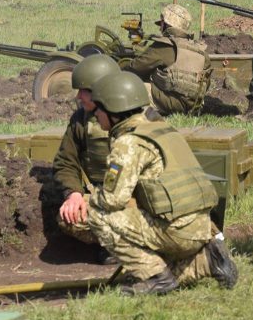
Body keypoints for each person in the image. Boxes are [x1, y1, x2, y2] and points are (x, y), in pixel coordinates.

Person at [86, 71, 237, 295]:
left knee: (97, 215)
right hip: (203, 227)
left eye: (98, 109)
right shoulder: (161, 129)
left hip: (177, 231)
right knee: (141, 277)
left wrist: (87, 198)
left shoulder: (129, 142)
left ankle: (156, 277)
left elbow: (112, 199)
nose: (95, 115)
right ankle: (208, 260)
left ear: (113, 110)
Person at [52, 54, 121, 262]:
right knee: (69, 219)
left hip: (137, 199)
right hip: (104, 196)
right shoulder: (80, 121)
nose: (78, 96)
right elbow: (66, 161)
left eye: (85, 91)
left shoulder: (138, 117)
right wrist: (74, 194)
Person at [124, 4, 211, 115]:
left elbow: (135, 69)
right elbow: (206, 83)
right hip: (195, 107)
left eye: (161, 24)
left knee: (129, 86)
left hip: (172, 105)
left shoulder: (163, 46)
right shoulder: (200, 51)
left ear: (165, 25)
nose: (160, 28)